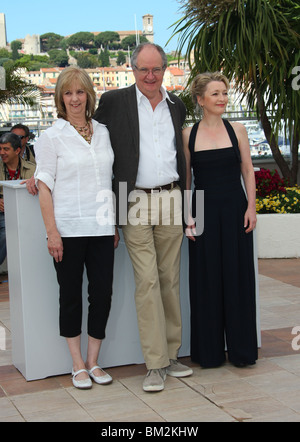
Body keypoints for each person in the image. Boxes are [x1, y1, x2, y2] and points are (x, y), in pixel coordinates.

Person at [94, 42, 193, 392]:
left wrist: (189, 209)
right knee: (147, 282)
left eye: (156, 69)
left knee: (170, 281)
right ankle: (154, 364)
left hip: (173, 199)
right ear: (132, 69)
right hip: (133, 202)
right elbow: (90, 143)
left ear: (165, 69)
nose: (150, 76)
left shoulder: (176, 104)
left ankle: (171, 354)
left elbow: (184, 159)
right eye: (143, 69)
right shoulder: (113, 102)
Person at [34, 66, 119, 390]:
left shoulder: (103, 131)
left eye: (79, 92)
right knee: (70, 297)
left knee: (102, 295)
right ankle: (77, 364)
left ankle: (94, 361)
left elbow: (107, 181)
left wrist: (111, 224)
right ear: (60, 97)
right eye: (68, 93)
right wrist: (51, 232)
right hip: (67, 231)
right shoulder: (51, 136)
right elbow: (44, 186)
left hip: (100, 229)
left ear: (88, 96)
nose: (74, 98)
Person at [183, 72, 258, 368]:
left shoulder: (237, 129)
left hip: (235, 208)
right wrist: (188, 216)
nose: (222, 98)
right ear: (200, 99)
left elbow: (248, 171)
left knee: (238, 278)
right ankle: (209, 353)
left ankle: (242, 351)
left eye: (224, 93)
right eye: (215, 93)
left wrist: (251, 207)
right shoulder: (188, 134)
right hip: (202, 210)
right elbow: (186, 179)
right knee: (206, 280)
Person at [0, 132, 36, 265]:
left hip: (24, 212)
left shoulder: (33, 169)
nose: (2, 152)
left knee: (6, 234)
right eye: (0, 149)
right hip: (2, 213)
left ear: (17, 150)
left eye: (6, 149)